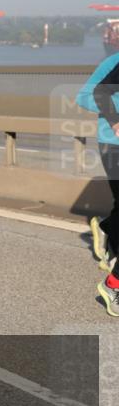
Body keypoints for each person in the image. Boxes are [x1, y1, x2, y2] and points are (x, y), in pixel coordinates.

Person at [79, 52, 119, 315]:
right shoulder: (113, 63)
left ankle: (106, 229)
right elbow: (86, 96)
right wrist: (115, 118)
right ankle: (113, 284)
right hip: (113, 143)